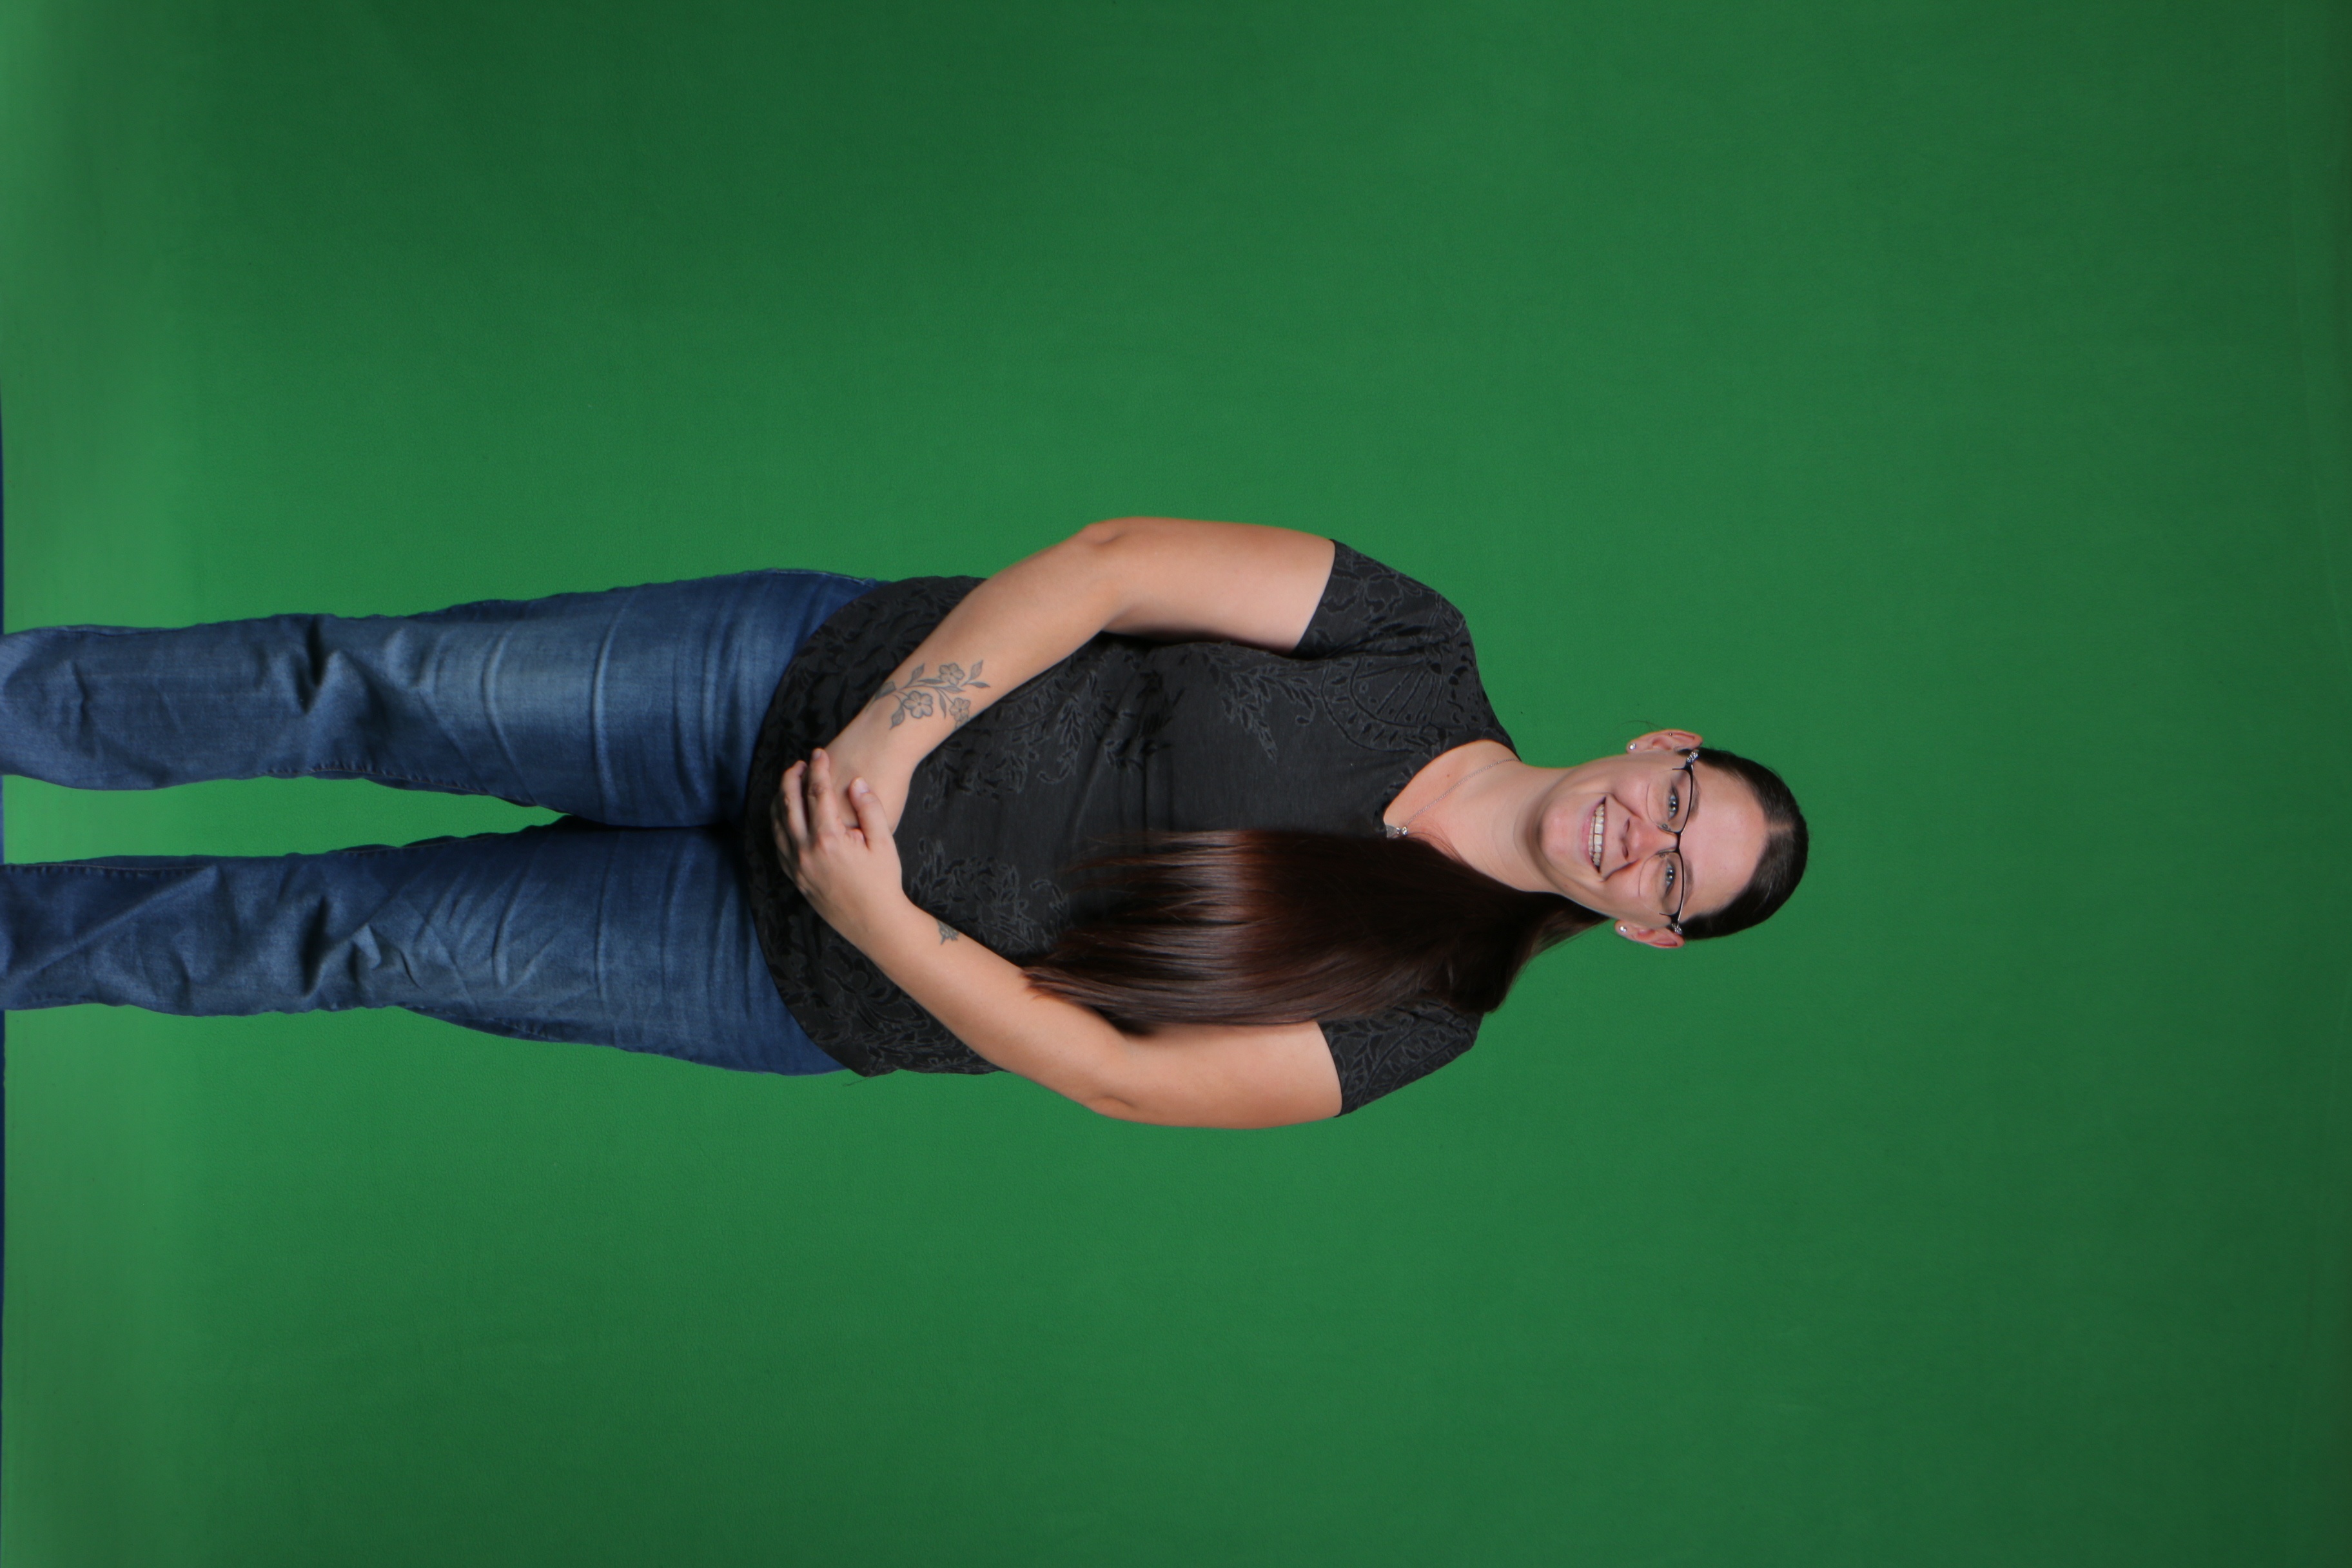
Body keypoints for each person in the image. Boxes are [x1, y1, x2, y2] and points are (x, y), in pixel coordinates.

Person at [0, 518, 1806, 1127]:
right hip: (782, 688)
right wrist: (884, 738)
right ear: (1659, 744)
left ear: (1651, 930)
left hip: (789, 971)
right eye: (1679, 802)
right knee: (368, 682)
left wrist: (873, 914)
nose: (1643, 839)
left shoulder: (1423, 1015)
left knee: (355, 940)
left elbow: (1116, 1072)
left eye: (1677, 876)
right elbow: (1111, 569)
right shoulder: (1413, 645)